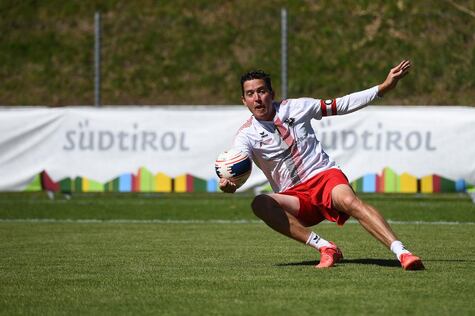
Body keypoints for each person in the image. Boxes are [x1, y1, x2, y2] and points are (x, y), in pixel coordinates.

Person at [219, 60, 424, 270]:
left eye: (261, 91)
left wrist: (383, 88)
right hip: (295, 196)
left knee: (349, 201)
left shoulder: (296, 107)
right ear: (244, 100)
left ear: (271, 93)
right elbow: (237, 162)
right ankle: (326, 247)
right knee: (260, 203)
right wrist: (229, 183)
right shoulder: (246, 135)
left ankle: (403, 253)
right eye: (250, 94)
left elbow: (341, 104)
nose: (257, 98)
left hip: (324, 176)